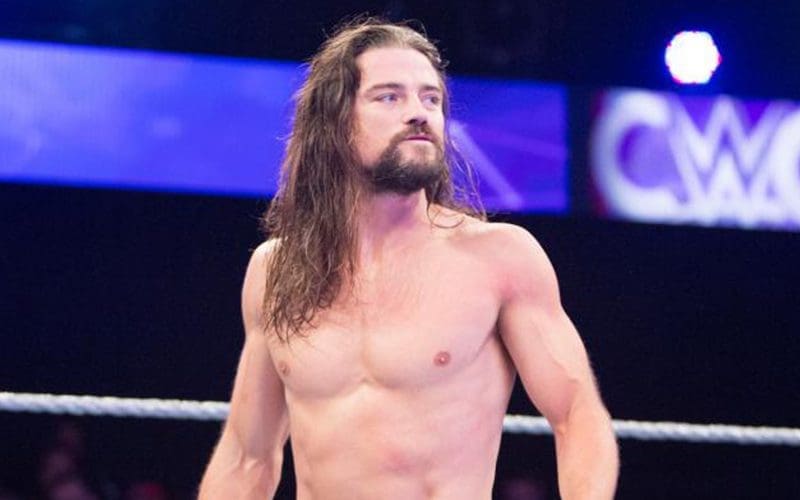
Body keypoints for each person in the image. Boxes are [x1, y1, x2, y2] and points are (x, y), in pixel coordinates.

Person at [199, 18, 618, 500]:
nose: (419, 113)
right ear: (334, 121)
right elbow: (247, 457)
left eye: (431, 98)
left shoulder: (499, 258)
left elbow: (577, 416)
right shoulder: (276, 270)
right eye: (389, 97)